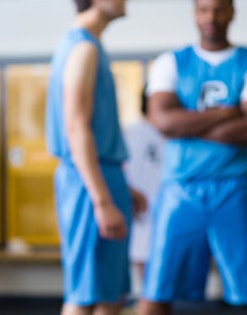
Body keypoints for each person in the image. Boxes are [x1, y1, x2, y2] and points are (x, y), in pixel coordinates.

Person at [138, 0, 247, 314]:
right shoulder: (171, 63)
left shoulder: (243, 60)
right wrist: (229, 113)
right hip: (180, 188)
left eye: (218, 9)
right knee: (157, 289)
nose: (210, 17)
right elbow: (164, 122)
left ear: (232, 13)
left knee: (242, 288)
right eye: (203, 9)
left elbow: (241, 132)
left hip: (235, 187)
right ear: (195, 13)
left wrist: (187, 124)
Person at [45, 1, 145, 314]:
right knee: (85, 293)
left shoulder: (87, 45)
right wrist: (102, 200)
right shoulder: (83, 48)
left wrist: (118, 190)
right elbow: (76, 127)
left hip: (97, 177)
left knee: (107, 293)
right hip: (88, 182)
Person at [122, 89, 165, 295]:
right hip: (140, 207)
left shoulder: (174, 131)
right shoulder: (130, 133)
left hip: (167, 205)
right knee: (143, 257)